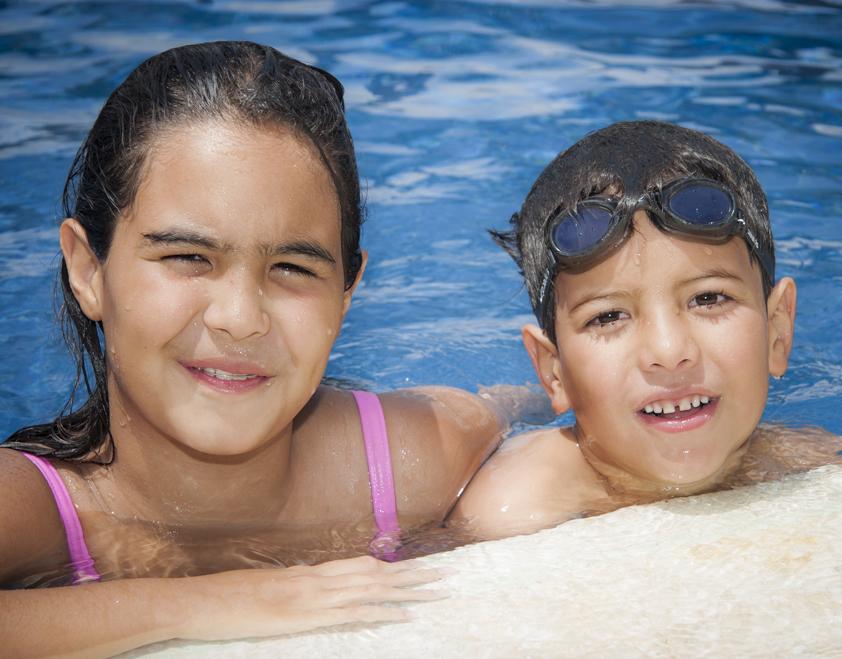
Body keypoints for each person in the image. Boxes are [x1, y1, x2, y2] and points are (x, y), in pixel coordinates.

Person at [0, 41, 533, 656]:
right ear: (88, 269)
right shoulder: (35, 506)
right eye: (187, 257)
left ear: (347, 292)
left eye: (292, 268)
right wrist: (205, 600)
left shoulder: (416, 460)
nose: (241, 319)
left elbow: (534, 418)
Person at [450, 120, 842, 540]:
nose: (669, 350)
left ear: (777, 333)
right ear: (554, 373)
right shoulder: (517, 508)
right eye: (608, 316)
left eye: (708, 298)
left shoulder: (810, 458)